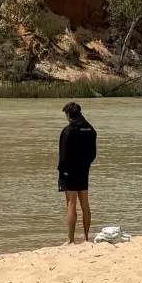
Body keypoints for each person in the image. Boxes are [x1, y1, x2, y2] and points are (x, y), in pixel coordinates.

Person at [57, 101, 98, 244]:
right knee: (85, 204)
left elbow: (63, 155)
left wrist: (62, 171)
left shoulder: (68, 131)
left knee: (71, 204)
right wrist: (85, 165)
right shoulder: (90, 129)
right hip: (83, 170)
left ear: (69, 114)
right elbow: (93, 153)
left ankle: (70, 240)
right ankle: (86, 238)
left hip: (69, 172)